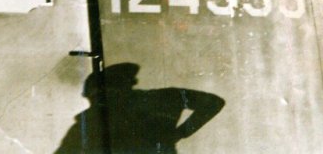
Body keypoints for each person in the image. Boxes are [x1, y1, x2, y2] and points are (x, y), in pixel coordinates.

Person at [54, 63, 225, 153]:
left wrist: (180, 133)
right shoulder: (163, 98)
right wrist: (180, 133)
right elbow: (213, 102)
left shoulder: (90, 121)